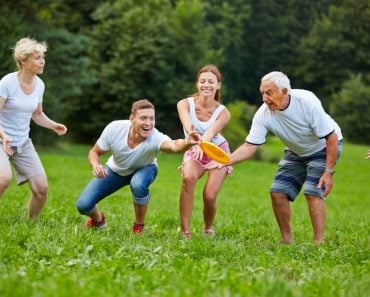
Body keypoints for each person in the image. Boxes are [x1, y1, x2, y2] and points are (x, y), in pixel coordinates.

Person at [209, 71, 343, 244]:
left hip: (324, 147)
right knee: (277, 192)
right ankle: (286, 240)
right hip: (295, 151)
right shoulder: (263, 114)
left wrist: (328, 172)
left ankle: (319, 243)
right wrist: (226, 160)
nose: (264, 98)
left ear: (285, 91)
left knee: (312, 192)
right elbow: (250, 146)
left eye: (269, 93)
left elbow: (331, 137)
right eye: (262, 93)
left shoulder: (306, 102)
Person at [76, 99, 200, 234]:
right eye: (143, 118)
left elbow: (174, 145)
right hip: (115, 170)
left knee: (138, 183)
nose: (148, 123)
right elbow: (94, 152)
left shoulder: (156, 137)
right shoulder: (115, 128)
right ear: (132, 119)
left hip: (145, 169)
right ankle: (98, 221)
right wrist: (95, 165)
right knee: (83, 205)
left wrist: (188, 142)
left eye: (152, 119)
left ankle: (139, 227)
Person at [0, 37, 68, 218]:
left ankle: (31, 224)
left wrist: (54, 125)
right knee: (3, 179)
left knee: (41, 188)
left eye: (42, 57)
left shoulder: (40, 84)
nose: (42, 61)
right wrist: (4, 136)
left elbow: (37, 114)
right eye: (37, 57)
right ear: (23, 60)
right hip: (1, 140)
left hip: (22, 143)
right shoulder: (7, 82)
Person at [177, 64, 232, 238]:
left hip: (217, 151)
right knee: (188, 178)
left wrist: (201, 143)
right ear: (197, 84)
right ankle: (185, 231)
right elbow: (187, 124)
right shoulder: (184, 104)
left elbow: (210, 133)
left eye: (211, 82)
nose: (206, 85)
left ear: (218, 85)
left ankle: (208, 228)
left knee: (209, 195)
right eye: (202, 81)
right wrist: (193, 139)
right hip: (194, 148)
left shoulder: (224, 113)